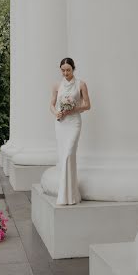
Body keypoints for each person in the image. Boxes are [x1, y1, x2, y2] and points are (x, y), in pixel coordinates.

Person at [49, 57, 91, 205]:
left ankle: (69, 195)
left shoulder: (81, 84)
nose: (65, 73)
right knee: (63, 157)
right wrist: (56, 113)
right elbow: (52, 104)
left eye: (68, 70)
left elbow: (87, 105)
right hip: (61, 124)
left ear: (73, 69)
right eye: (63, 70)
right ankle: (68, 195)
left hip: (74, 123)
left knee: (69, 155)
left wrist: (74, 109)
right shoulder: (56, 85)